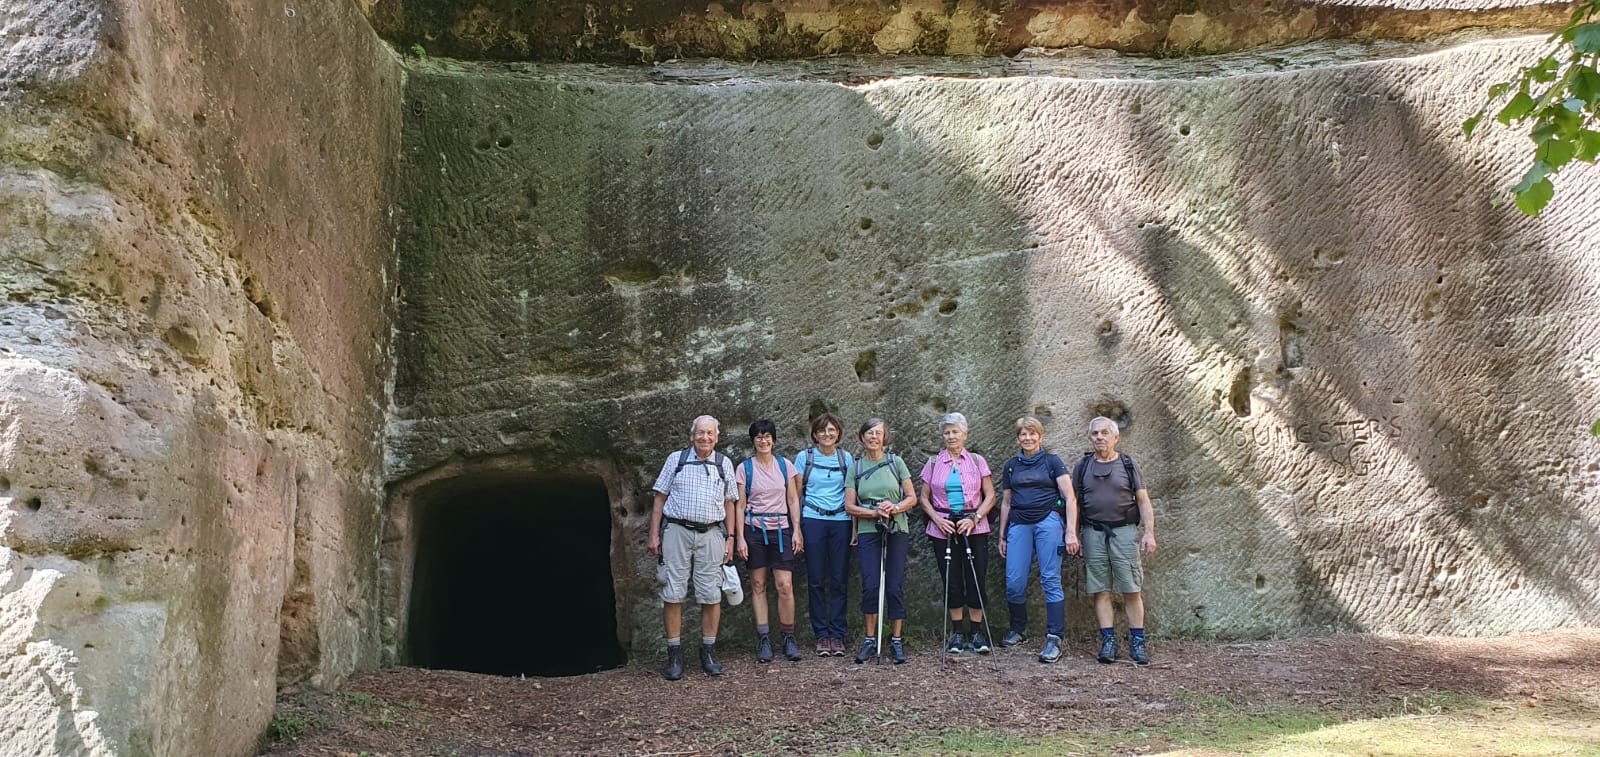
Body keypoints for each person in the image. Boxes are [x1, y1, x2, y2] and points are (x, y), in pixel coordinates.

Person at [649, 415, 738, 680]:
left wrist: (730, 538)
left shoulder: (724, 464)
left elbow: (730, 503)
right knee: (673, 592)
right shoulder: (676, 460)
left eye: (710, 433)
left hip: (712, 533)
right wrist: (654, 535)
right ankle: (674, 655)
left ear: (717, 437)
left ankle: (708, 651)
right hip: (676, 531)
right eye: (700, 433)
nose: (705, 438)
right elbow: (659, 498)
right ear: (692, 436)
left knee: (711, 594)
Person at [996, 415, 1080, 663]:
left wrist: (1071, 531)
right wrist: (1001, 536)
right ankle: (1018, 629)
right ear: (1017, 438)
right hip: (1019, 524)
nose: (1028, 438)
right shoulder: (1012, 466)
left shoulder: (1052, 462)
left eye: (1032, 433)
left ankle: (1054, 637)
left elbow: (1070, 498)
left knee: (1050, 578)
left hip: (1048, 522)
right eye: (1023, 434)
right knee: (1014, 581)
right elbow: (1006, 503)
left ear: (1040, 436)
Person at [1075, 416, 1157, 665]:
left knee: (1131, 587)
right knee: (1100, 589)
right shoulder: (1083, 466)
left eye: (1104, 433)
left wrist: (1149, 533)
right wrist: (1073, 533)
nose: (1099, 437)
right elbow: (1074, 503)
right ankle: (1108, 641)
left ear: (1115, 437)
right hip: (1093, 533)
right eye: (1095, 434)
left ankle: (1137, 641)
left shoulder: (1129, 465)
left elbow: (1143, 501)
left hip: (1123, 531)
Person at [919, 412, 997, 654]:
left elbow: (991, 495)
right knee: (951, 580)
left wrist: (974, 518)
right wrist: (937, 520)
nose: (951, 436)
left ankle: (976, 632)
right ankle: (957, 633)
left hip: (974, 527)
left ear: (965, 434)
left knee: (976, 578)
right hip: (943, 528)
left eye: (955, 432)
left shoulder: (976, 461)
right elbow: (923, 498)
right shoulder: (933, 463)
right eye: (947, 432)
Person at [845, 418, 917, 664]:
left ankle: (896, 640)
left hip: (896, 528)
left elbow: (911, 497)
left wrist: (894, 507)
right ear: (862, 437)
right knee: (871, 584)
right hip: (868, 529)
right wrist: (874, 513)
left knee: (895, 585)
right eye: (869, 433)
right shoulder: (855, 467)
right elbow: (849, 505)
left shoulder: (896, 463)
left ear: (885, 437)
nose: (873, 437)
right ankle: (869, 639)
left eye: (878, 433)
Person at [735, 419, 805, 663]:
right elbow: (740, 504)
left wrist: (797, 530)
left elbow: (794, 499)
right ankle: (764, 637)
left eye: (767, 436)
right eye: (759, 437)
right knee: (758, 584)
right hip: (754, 529)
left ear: (774, 440)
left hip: (781, 528)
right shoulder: (745, 468)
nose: (763, 441)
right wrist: (740, 538)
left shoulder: (785, 466)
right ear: (753, 441)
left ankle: (788, 636)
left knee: (785, 585)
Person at [794, 414, 856, 657]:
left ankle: (837, 634)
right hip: (813, 520)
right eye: (822, 430)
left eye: (831, 430)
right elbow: (796, 495)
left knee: (840, 579)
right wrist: (797, 528)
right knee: (817, 579)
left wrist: (854, 528)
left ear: (838, 433)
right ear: (815, 434)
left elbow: (852, 494)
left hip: (840, 520)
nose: (827, 434)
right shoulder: (804, 458)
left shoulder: (846, 458)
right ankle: (821, 634)